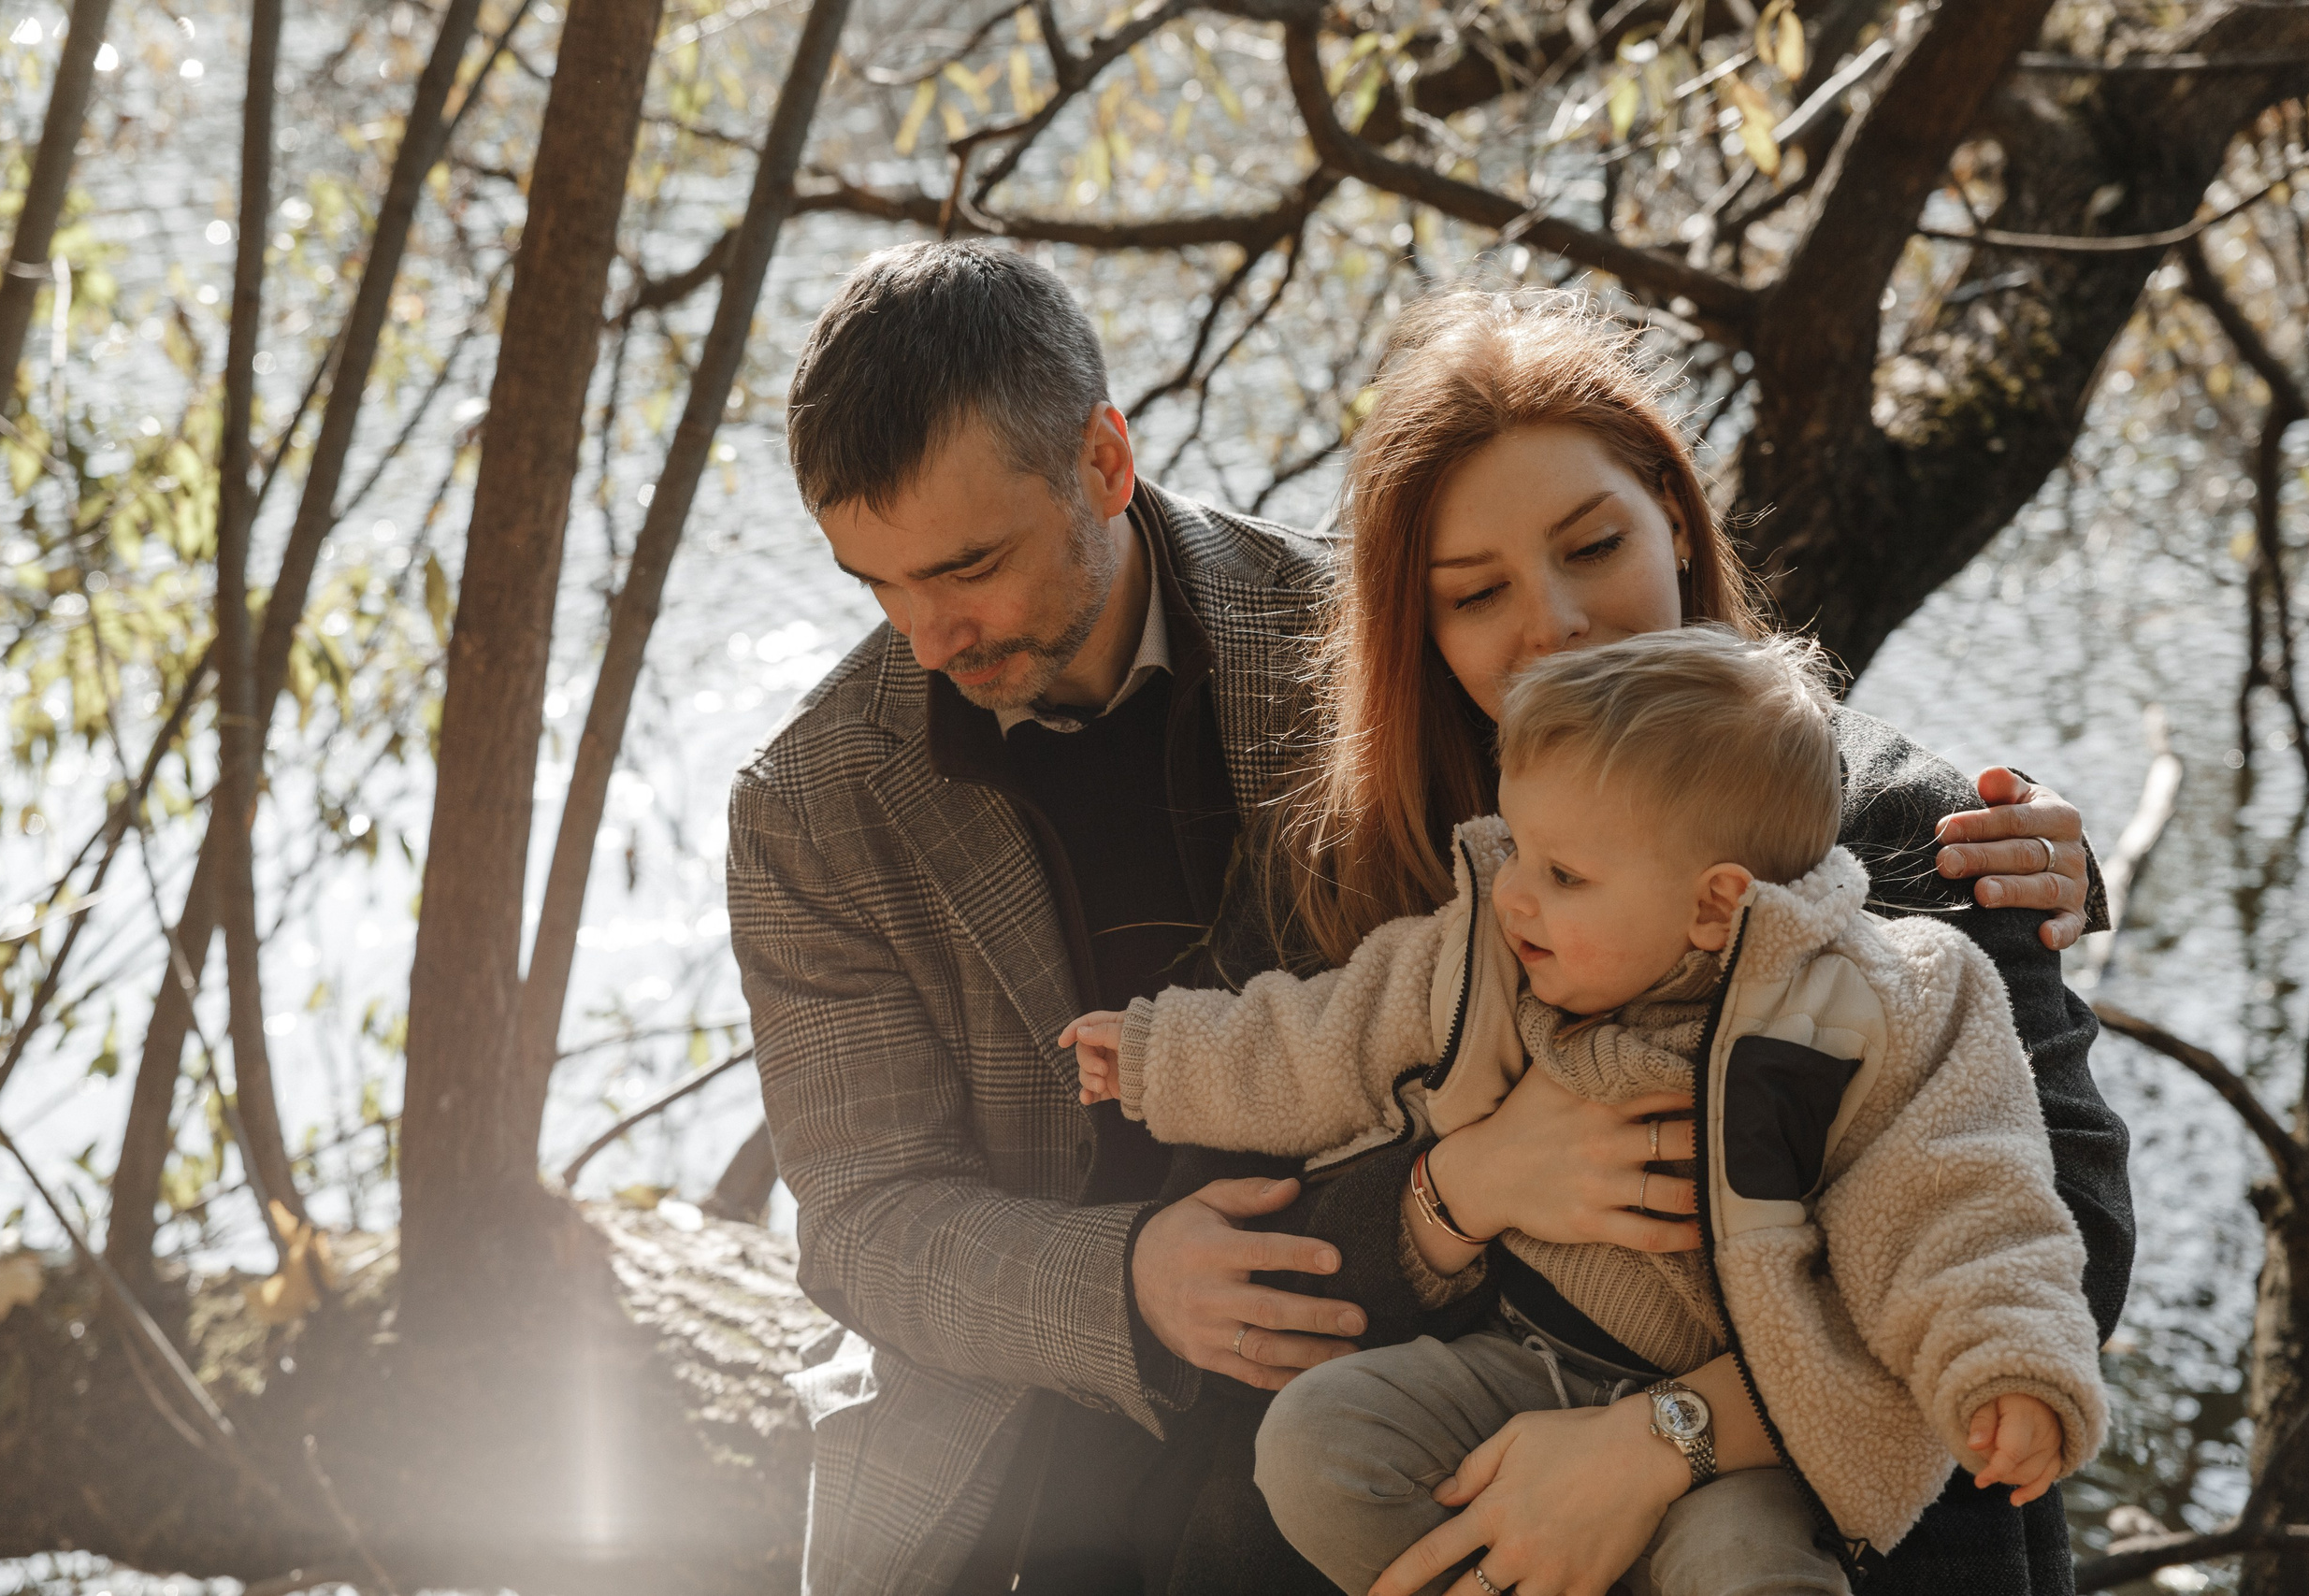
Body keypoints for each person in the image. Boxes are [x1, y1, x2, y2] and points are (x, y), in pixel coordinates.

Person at [729, 247, 2112, 1596]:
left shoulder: (1331, 635)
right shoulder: (816, 805)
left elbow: (2046, 1230)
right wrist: (1204, 1256)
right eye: (878, 587)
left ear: (1102, 462)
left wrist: (1663, 1434)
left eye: (967, 565)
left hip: (1673, 1441)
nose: (926, 634)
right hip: (1093, 1403)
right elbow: (864, 1215)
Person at [1066, 625, 2110, 1596]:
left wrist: (2007, 1366)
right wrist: (1163, 1052)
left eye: (1562, 873)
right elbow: (1322, 1037)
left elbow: (1965, 1201)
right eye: (1518, 846)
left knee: (1748, 1569)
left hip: (1743, 1424)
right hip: (1516, 1362)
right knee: (1316, 1444)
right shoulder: (1489, 955)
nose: (1513, 890)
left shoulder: (1883, 1004)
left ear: (1712, 904)